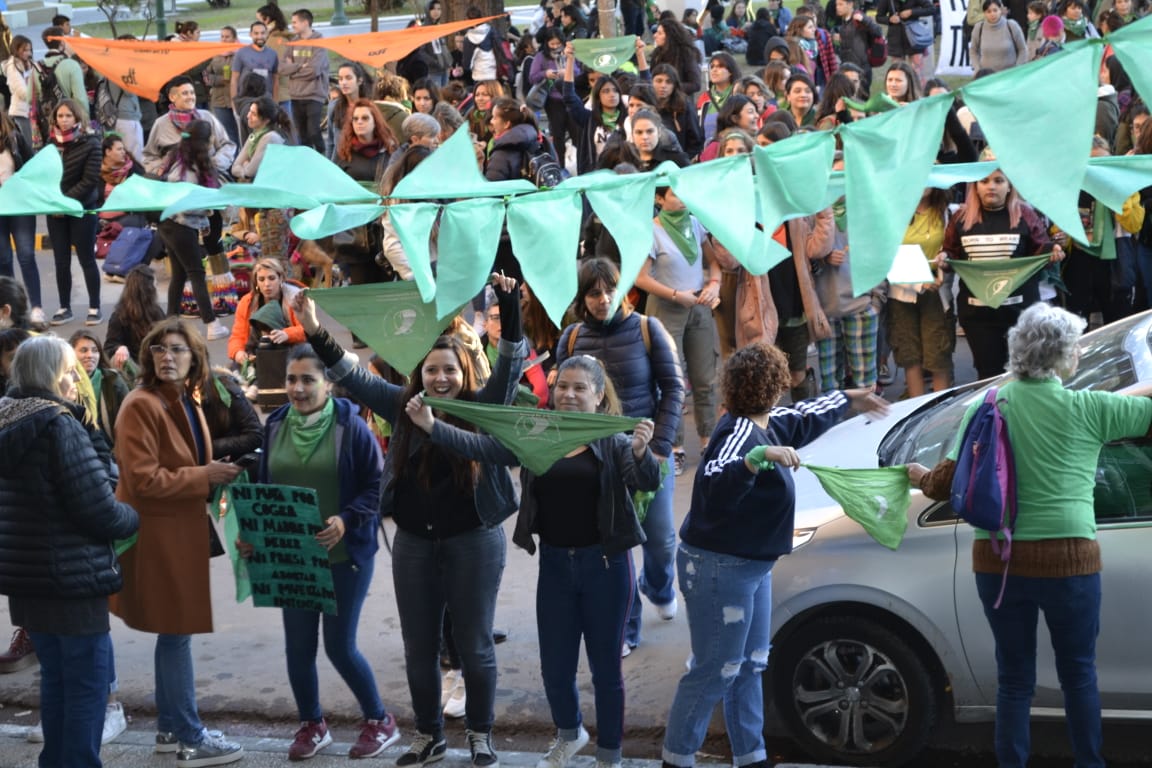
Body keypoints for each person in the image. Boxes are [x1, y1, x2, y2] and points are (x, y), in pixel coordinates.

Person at [292, 273, 525, 768]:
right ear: (418, 377)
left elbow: (508, 368)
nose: (440, 379)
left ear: (463, 373)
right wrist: (315, 330)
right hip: (416, 544)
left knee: (475, 644)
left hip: (473, 542)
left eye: (449, 371)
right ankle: (429, 735)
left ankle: (481, 735)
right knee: (418, 647)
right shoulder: (403, 407)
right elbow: (353, 376)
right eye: (431, 371)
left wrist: (509, 306)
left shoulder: (482, 410)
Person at [906, 303, 1152, 768]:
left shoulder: (988, 405)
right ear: (1064, 357)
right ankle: (1088, 763)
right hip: (1071, 564)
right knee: (1079, 674)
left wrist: (917, 475)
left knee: (1014, 678)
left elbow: (945, 484)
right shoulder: (1093, 408)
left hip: (998, 563)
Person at [406, 356, 660, 768]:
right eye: (562, 387)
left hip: (606, 569)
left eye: (580, 389)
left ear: (599, 397)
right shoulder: (536, 433)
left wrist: (641, 451)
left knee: (605, 672)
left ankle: (609, 754)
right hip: (556, 568)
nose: (570, 395)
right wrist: (433, 427)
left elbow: (645, 480)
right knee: (555, 670)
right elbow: (484, 447)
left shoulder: (614, 441)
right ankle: (570, 733)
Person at [662, 341, 886, 768]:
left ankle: (751, 756)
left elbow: (805, 416)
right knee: (714, 670)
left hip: (749, 567)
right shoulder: (742, 434)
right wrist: (755, 461)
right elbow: (713, 482)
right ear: (779, 385)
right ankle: (676, 759)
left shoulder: (768, 422)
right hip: (718, 569)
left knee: (747, 665)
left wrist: (850, 398)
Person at [245, 344, 396, 759]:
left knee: (339, 646)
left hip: (345, 557)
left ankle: (380, 720)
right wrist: (252, 534)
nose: (297, 387)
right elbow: (263, 490)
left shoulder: (353, 428)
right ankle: (311, 725)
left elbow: (375, 487)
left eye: (308, 379)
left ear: (329, 383)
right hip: (292, 558)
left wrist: (346, 519)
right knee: (298, 648)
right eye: (291, 379)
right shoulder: (274, 425)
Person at [110, 318, 246, 763]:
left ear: (195, 359)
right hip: (157, 535)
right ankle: (188, 734)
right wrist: (204, 475)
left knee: (174, 634)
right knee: (176, 634)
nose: (168, 357)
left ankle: (171, 731)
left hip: (180, 531)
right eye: (159, 350)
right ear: (148, 356)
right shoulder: (140, 403)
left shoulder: (185, 399)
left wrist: (212, 472)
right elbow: (143, 479)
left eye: (177, 349)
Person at [0, 335, 139, 768]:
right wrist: (134, 517)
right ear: (52, 375)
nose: (75, 379)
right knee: (85, 687)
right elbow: (98, 509)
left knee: (57, 682)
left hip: (27, 581)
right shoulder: (57, 424)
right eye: (68, 371)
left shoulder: (9, 420)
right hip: (72, 579)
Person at [556, 258, 685, 656]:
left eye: (609, 289)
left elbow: (674, 389)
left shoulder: (649, 329)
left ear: (623, 290)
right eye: (593, 292)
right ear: (582, 298)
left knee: (661, 539)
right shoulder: (572, 339)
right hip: (599, 462)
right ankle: (627, 628)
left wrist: (659, 448)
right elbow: (564, 399)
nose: (603, 299)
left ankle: (658, 585)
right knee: (615, 546)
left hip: (646, 453)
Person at [933, 169, 1064, 380]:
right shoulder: (961, 217)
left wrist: (1053, 252)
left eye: (998, 181)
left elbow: (1041, 252)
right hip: (978, 317)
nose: (991, 186)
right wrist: (944, 258)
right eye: (984, 181)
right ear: (975, 186)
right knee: (988, 376)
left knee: (1025, 374)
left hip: (1021, 314)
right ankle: (993, 414)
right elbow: (951, 253)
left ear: (1009, 185)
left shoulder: (1025, 214)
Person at [156, 120, 230, 341]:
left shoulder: (180, 159)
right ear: (204, 143)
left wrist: (204, 221)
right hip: (180, 226)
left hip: (170, 225)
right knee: (196, 272)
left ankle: (170, 323)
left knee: (179, 274)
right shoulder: (189, 168)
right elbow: (189, 204)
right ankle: (211, 323)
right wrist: (208, 211)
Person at [45, 99, 104, 328]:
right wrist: (55, 204)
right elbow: (44, 177)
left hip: (82, 209)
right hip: (55, 211)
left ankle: (95, 307)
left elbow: (90, 181)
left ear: (77, 118)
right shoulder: (50, 144)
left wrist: (65, 203)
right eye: (60, 116)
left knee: (86, 259)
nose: (64, 120)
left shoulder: (91, 143)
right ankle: (64, 307)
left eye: (68, 116)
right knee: (60, 261)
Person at [143, 75, 237, 178]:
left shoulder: (207, 117)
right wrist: (162, 171)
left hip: (210, 175)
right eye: (185, 93)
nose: (190, 97)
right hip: (174, 182)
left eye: (192, 93)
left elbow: (228, 145)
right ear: (172, 97)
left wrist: (214, 164)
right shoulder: (161, 123)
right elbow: (149, 156)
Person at [0, 111, 44, 329]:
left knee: (26, 255)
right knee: (3, 258)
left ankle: (36, 308)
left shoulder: (15, 137)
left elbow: (32, 165)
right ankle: (11, 309)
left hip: (20, 205)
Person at [228, 258, 307, 367]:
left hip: (292, 352)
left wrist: (287, 334)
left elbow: (307, 330)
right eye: (261, 279)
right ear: (256, 282)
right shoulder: (246, 302)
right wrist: (238, 353)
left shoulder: (296, 298)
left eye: (271, 278)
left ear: (281, 279)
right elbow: (238, 335)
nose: (267, 284)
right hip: (257, 352)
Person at [70, 329, 130, 445]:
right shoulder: (65, 383)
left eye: (95, 350)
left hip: (111, 445)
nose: (90, 355)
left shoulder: (113, 380)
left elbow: (130, 418)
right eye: (83, 350)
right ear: (71, 353)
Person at [104, 264, 166, 374]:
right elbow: (109, 347)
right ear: (148, 290)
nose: (157, 287)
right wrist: (119, 348)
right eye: (155, 284)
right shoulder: (119, 316)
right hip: (132, 366)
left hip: (155, 363)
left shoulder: (157, 312)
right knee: (119, 358)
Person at [230, 96, 290, 182]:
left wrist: (245, 165)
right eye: (249, 111)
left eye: (253, 114)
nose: (248, 116)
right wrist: (246, 169)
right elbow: (234, 168)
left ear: (266, 120)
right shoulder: (255, 135)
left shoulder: (270, 137)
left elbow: (249, 172)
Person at [203, 27, 240, 147]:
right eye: (222, 36)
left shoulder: (240, 54)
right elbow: (206, 74)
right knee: (227, 134)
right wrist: (219, 80)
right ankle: (232, 162)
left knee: (241, 133)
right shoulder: (215, 54)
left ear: (234, 38)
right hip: (219, 100)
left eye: (227, 37)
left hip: (237, 99)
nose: (224, 39)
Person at [231, 21, 279, 110]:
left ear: (267, 34)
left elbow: (275, 79)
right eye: (256, 33)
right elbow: (234, 79)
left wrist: (275, 102)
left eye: (262, 33)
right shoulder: (241, 53)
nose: (260, 36)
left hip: (266, 102)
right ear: (250, 34)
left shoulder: (273, 54)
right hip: (246, 102)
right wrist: (234, 103)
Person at [970, 0, 1028, 73]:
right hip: (987, 77)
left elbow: (1023, 49)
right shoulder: (979, 28)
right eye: (989, 11)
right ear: (984, 13)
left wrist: (1017, 69)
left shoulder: (1012, 26)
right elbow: (973, 51)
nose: (992, 14)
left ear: (1000, 10)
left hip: (1010, 75)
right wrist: (977, 69)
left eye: (995, 10)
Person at [3, 35, 37, 148]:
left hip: (30, 111)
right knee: (28, 146)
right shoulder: (12, 67)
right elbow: (23, 92)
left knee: (34, 144)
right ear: (16, 50)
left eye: (29, 50)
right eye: (25, 50)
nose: (28, 53)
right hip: (20, 113)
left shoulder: (27, 63)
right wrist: (37, 93)